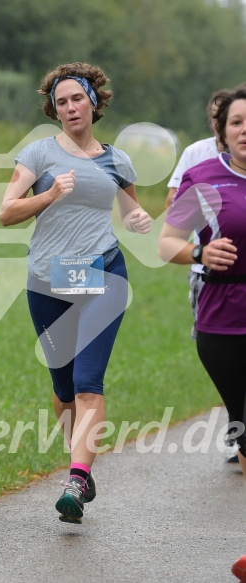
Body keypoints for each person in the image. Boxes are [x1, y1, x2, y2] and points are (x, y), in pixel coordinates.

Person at [0, 61, 150, 524]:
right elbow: (6, 212)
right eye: (60, 102)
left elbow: (131, 211)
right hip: (48, 280)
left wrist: (137, 221)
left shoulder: (116, 159)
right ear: (54, 109)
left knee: (88, 382)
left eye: (76, 99)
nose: (69, 108)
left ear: (93, 101)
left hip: (103, 273)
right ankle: (78, 467)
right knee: (62, 388)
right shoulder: (40, 154)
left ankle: (77, 476)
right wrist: (47, 196)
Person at [158, 84, 246, 481]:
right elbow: (167, 243)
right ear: (223, 132)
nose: (244, 129)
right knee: (243, 429)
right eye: (237, 122)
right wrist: (200, 253)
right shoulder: (204, 176)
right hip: (222, 317)